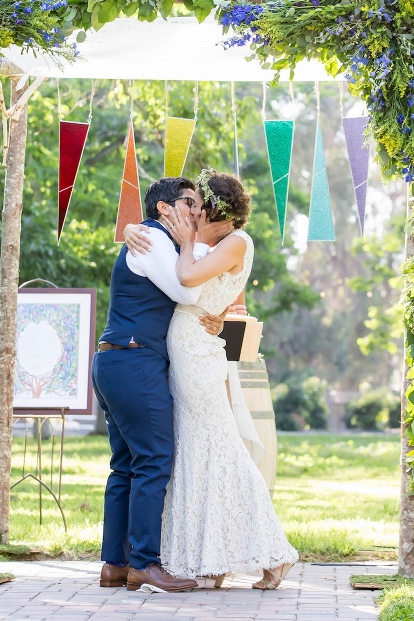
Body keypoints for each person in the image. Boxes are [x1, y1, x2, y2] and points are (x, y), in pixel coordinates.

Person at [125, 170, 298, 590]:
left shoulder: (237, 241)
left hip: (196, 350)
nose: (193, 211)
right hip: (188, 344)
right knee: (196, 449)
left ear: (215, 209)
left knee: (219, 447)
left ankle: (275, 554)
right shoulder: (214, 243)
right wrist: (137, 227)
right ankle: (212, 559)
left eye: (198, 205)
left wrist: (186, 243)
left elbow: (187, 280)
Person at [91, 176, 231, 593]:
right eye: (189, 203)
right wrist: (188, 243)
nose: (196, 211)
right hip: (134, 361)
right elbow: (185, 293)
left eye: (199, 205)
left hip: (118, 360)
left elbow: (197, 280)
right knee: (154, 460)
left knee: (126, 466)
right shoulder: (151, 241)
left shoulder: (158, 242)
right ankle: (144, 564)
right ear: (164, 209)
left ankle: (115, 565)